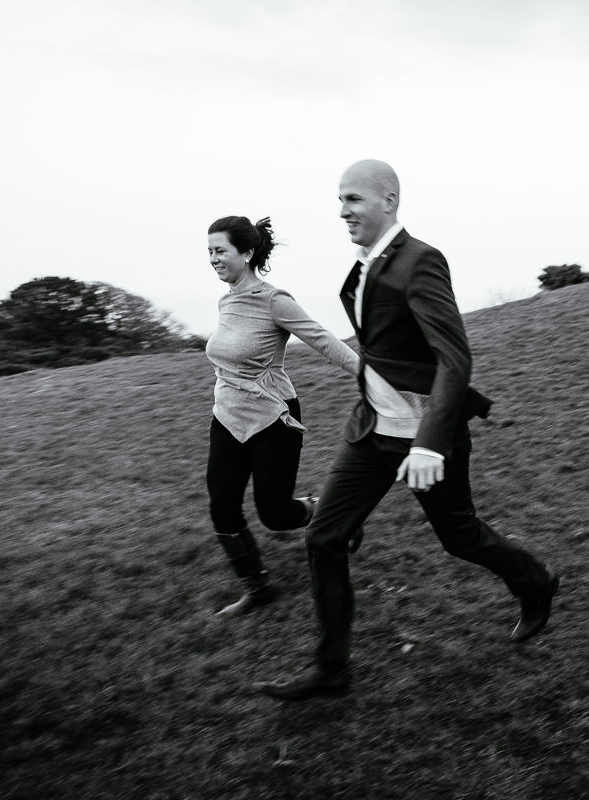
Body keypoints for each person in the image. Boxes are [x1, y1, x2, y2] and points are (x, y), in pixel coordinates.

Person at [253, 161, 559, 700]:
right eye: (340, 201)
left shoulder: (420, 262)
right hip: (370, 429)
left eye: (353, 199)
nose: (343, 211)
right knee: (325, 536)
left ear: (388, 201)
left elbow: (454, 358)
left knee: (459, 536)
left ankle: (536, 582)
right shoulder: (365, 265)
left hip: (423, 436)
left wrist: (429, 442)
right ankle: (331, 669)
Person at [203, 215, 359, 616]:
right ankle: (257, 589)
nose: (213, 259)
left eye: (220, 251)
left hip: (274, 418)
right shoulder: (227, 298)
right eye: (210, 252)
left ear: (247, 252)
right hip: (227, 417)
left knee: (274, 514)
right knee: (222, 504)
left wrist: (369, 376)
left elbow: (322, 339)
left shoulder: (273, 300)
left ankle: (336, 515)